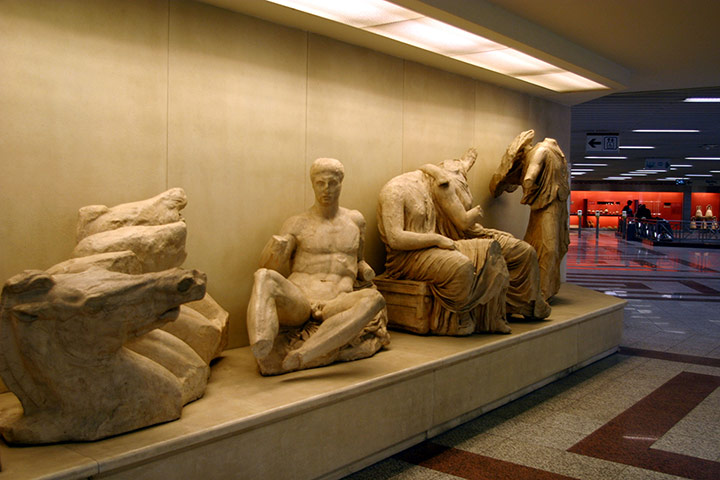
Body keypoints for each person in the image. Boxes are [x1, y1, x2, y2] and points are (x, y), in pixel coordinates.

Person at [247, 158, 389, 375]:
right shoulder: (297, 223)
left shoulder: (355, 221)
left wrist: (365, 269)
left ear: (341, 183)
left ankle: (305, 354)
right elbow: (269, 267)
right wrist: (276, 248)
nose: (327, 189)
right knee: (264, 276)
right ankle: (262, 344)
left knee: (374, 299)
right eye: (320, 183)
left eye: (332, 183)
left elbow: (358, 260)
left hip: (337, 302)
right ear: (312, 184)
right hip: (301, 301)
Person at [377, 153, 511, 335]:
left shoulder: (432, 187)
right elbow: (395, 238)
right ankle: (450, 321)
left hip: (433, 249)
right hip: (406, 258)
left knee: (491, 250)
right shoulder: (394, 190)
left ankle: (490, 318)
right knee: (461, 266)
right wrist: (437, 239)